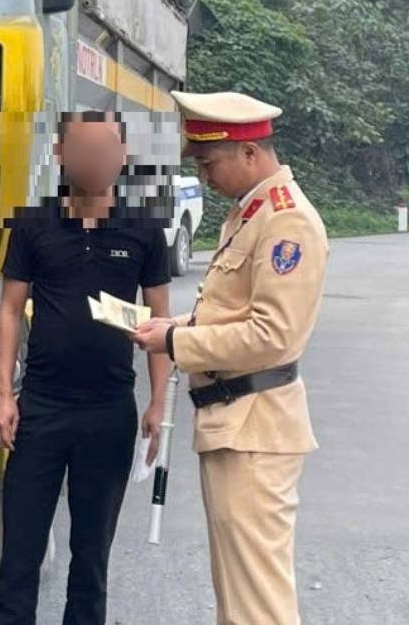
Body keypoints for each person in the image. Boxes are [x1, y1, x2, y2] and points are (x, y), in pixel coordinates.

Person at [134, 91, 328, 625]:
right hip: (235, 423)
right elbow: (233, 312)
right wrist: (174, 326)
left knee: (257, 602)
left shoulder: (287, 222)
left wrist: (175, 344)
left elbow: (273, 335)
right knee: (237, 593)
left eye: (209, 162)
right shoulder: (251, 214)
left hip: (256, 428)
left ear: (249, 155)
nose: (205, 174)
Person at [0, 111, 172, 625]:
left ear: (122, 155)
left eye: (106, 147)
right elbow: (8, 311)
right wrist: (4, 394)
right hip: (41, 410)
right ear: (61, 154)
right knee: (19, 555)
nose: (96, 158)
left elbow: (162, 321)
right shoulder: (32, 224)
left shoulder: (144, 230)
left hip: (109, 412)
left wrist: (158, 402)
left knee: (91, 558)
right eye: (83, 147)